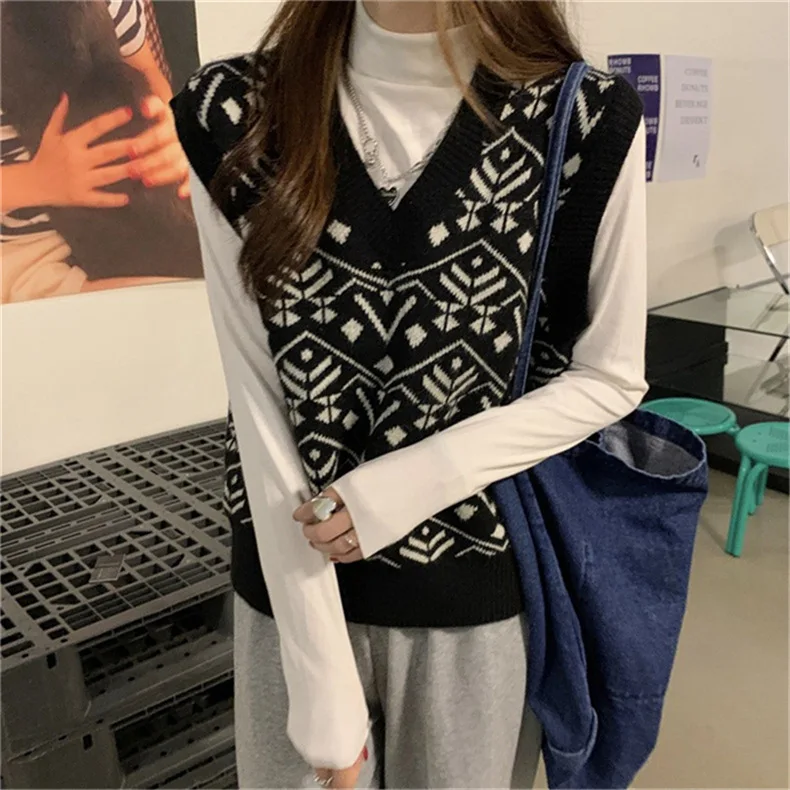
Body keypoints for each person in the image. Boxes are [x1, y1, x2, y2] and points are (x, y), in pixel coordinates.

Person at [172, 0, 648, 787]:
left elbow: (610, 374)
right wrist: (319, 677)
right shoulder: (232, 113)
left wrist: (405, 487)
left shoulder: (582, 119)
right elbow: (254, 389)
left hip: (473, 608)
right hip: (289, 596)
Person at [0, 0, 190, 302]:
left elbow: (144, 67)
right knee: (160, 306)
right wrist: (39, 180)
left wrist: (168, 126)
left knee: (220, 286)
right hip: (28, 247)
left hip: (139, 208)